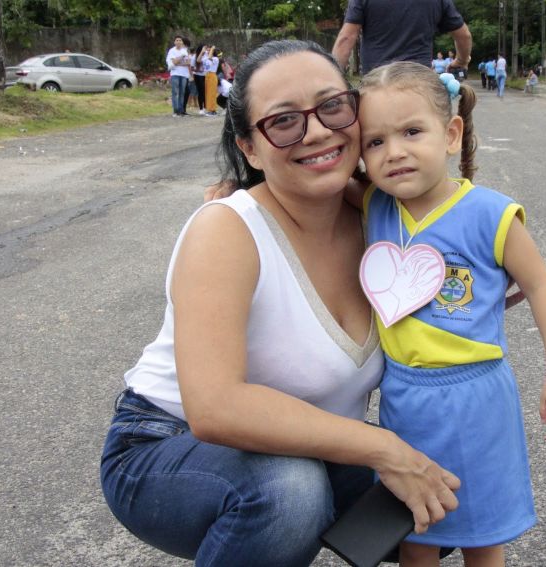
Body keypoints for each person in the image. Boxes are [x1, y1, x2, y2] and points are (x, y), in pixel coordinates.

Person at [100, 40, 461, 566]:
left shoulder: (383, 222)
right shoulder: (227, 230)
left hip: (305, 446)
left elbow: (463, 238)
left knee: (444, 501)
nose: (316, 131)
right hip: (162, 445)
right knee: (288, 494)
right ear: (249, 147)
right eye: (284, 121)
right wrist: (387, 451)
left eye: (333, 106)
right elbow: (215, 408)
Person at [351, 61, 546, 566]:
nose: (394, 152)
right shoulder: (373, 204)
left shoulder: (491, 214)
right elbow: (301, 195)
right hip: (403, 398)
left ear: (451, 133)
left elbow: (542, 287)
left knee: (482, 532)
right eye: (374, 142)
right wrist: (240, 187)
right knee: (415, 528)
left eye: (412, 131)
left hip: (478, 398)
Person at [332, 0, 472, 74]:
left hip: (376, 84)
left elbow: (346, 38)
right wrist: (461, 61)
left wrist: (332, 80)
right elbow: (464, 35)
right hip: (419, 84)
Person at [166, 35, 190, 117]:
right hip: (175, 74)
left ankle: (181, 110)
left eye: (180, 40)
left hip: (184, 74)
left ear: (182, 42)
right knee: (175, 92)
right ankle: (175, 111)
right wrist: (181, 57)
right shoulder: (172, 51)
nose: (179, 42)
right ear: (174, 42)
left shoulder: (185, 51)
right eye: (177, 40)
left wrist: (179, 62)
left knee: (182, 92)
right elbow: (174, 62)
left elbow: (188, 63)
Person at [201, 44, 219, 116]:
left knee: (212, 93)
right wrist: (203, 51)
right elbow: (199, 60)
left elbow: (210, 57)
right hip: (207, 75)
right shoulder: (206, 58)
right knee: (208, 93)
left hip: (212, 75)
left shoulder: (215, 58)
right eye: (207, 50)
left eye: (209, 50)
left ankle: (212, 110)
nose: (208, 51)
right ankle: (209, 109)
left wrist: (212, 49)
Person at [191, 44, 208, 115]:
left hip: (206, 75)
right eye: (204, 48)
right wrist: (198, 70)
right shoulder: (195, 56)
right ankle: (201, 108)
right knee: (200, 91)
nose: (206, 50)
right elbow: (192, 67)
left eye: (206, 48)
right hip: (198, 75)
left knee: (205, 91)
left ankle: (206, 107)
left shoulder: (207, 55)